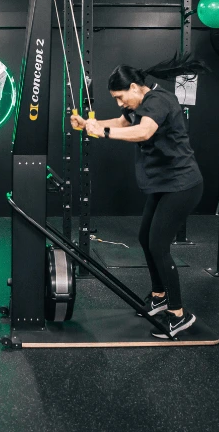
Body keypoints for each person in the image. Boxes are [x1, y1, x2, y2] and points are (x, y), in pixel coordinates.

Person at [70, 55, 208, 339]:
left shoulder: (159, 101)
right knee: (146, 238)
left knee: (158, 245)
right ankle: (159, 297)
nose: (120, 103)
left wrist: (102, 132)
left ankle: (179, 315)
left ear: (134, 87)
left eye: (120, 97)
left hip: (182, 185)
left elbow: (144, 132)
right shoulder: (139, 104)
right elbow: (122, 123)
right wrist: (86, 124)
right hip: (163, 184)